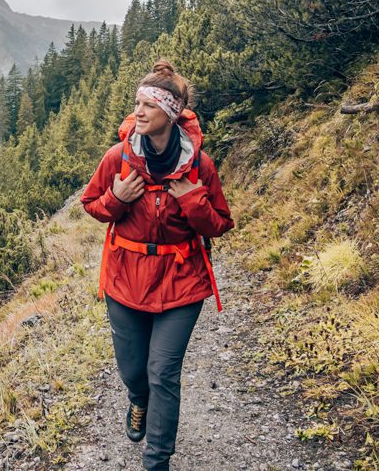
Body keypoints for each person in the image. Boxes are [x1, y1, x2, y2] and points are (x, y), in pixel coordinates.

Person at [81, 60, 235, 471]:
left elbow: (220, 224)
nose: (139, 112)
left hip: (181, 283)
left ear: (170, 112)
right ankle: (137, 401)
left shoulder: (199, 165)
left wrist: (191, 199)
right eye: (137, 103)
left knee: (162, 373)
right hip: (125, 279)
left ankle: (156, 461)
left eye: (148, 105)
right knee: (135, 372)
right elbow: (91, 205)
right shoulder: (118, 157)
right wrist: (117, 198)